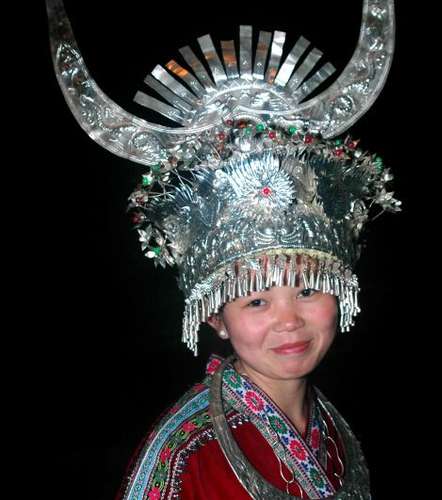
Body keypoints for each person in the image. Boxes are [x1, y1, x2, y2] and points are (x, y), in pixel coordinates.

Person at [47, 0, 400, 497]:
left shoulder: (331, 425)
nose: (289, 320)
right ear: (215, 317)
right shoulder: (184, 457)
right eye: (256, 300)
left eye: (307, 290)